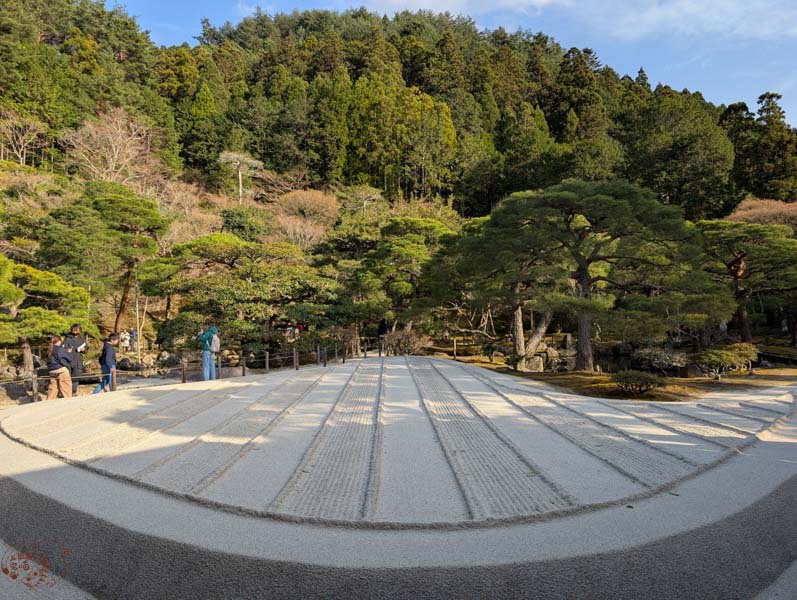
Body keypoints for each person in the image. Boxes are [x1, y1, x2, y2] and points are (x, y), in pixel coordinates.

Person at [62, 323, 88, 395]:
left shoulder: (82, 340)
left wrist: (83, 350)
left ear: (79, 330)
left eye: (77, 330)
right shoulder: (67, 339)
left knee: (76, 377)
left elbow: (86, 350)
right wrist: (66, 350)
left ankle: (74, 391)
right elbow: (62, 349)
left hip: (77, 361)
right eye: (73, 330)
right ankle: (66, 392)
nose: (75, 331)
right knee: (67, 377)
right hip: (68, 361)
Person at [46, 336, 73, 400]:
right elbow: (68, 358)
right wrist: (68, 353)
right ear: (59, 341)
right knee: (66, 389)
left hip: (52, 371)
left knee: (53, 389)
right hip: (61, 371)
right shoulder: (60, 349)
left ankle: (47, 404)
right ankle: (69, 404)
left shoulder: (49, 349)